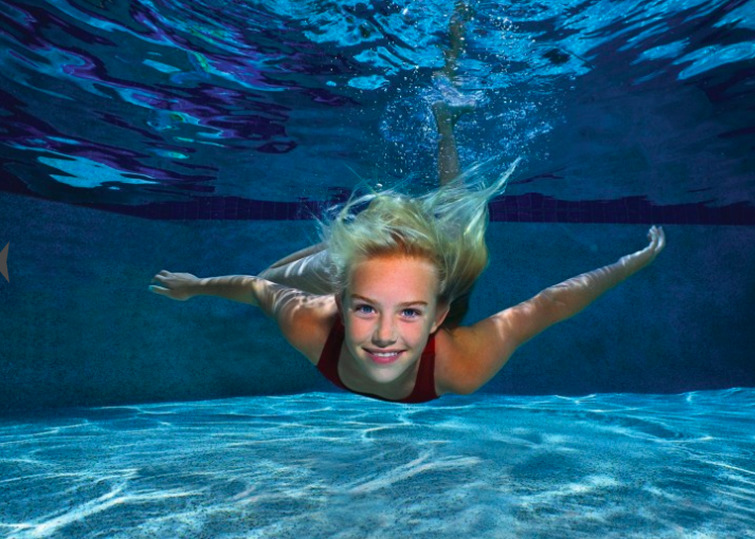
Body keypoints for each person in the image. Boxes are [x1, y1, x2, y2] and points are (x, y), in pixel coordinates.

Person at [149, 5, 665, 403]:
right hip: (356, 275)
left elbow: (547, 306)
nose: (386, 337)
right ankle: (361, 238)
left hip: (429, 274)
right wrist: (197, 288)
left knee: (459, 214)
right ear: (341, 305)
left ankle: (445, 123)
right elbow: (256, 286)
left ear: (439, 317)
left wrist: (630, 262)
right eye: (367, 309)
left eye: (412, 313)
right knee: (287, 271)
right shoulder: (311, 322)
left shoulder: (459, 364)